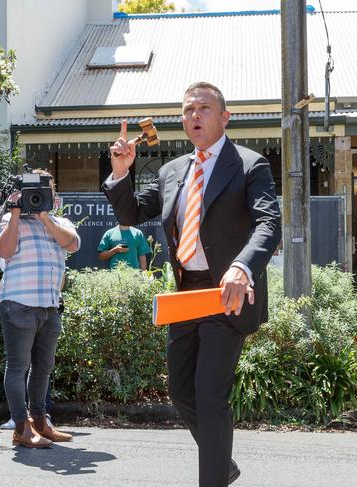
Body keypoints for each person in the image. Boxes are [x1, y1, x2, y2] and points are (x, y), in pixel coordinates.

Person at [103, 82, 281, 486]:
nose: (195, 116)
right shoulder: (172, 171)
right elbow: (131, 213)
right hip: (186, 295)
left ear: (224, 117)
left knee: (209, 393)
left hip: (226, 292)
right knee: (181, 392)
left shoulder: (250, 165)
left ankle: (212, 478)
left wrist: (242, 267)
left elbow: (269, 223)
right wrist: (120, 173)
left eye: (204, 108)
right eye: (188, 110)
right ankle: (223, 465)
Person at [0, 169, 79, 448]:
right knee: (18, 366)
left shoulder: (59, 220)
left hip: (50, 306)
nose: (43, 194)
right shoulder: (10, 218)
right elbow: (4, 251)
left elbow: (73, 244)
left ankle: (41, 422)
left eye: (48, 189)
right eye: (37, 190)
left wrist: (43, 216)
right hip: (18, 303)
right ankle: (21, 427)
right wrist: (17, 211)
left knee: (43, 368)